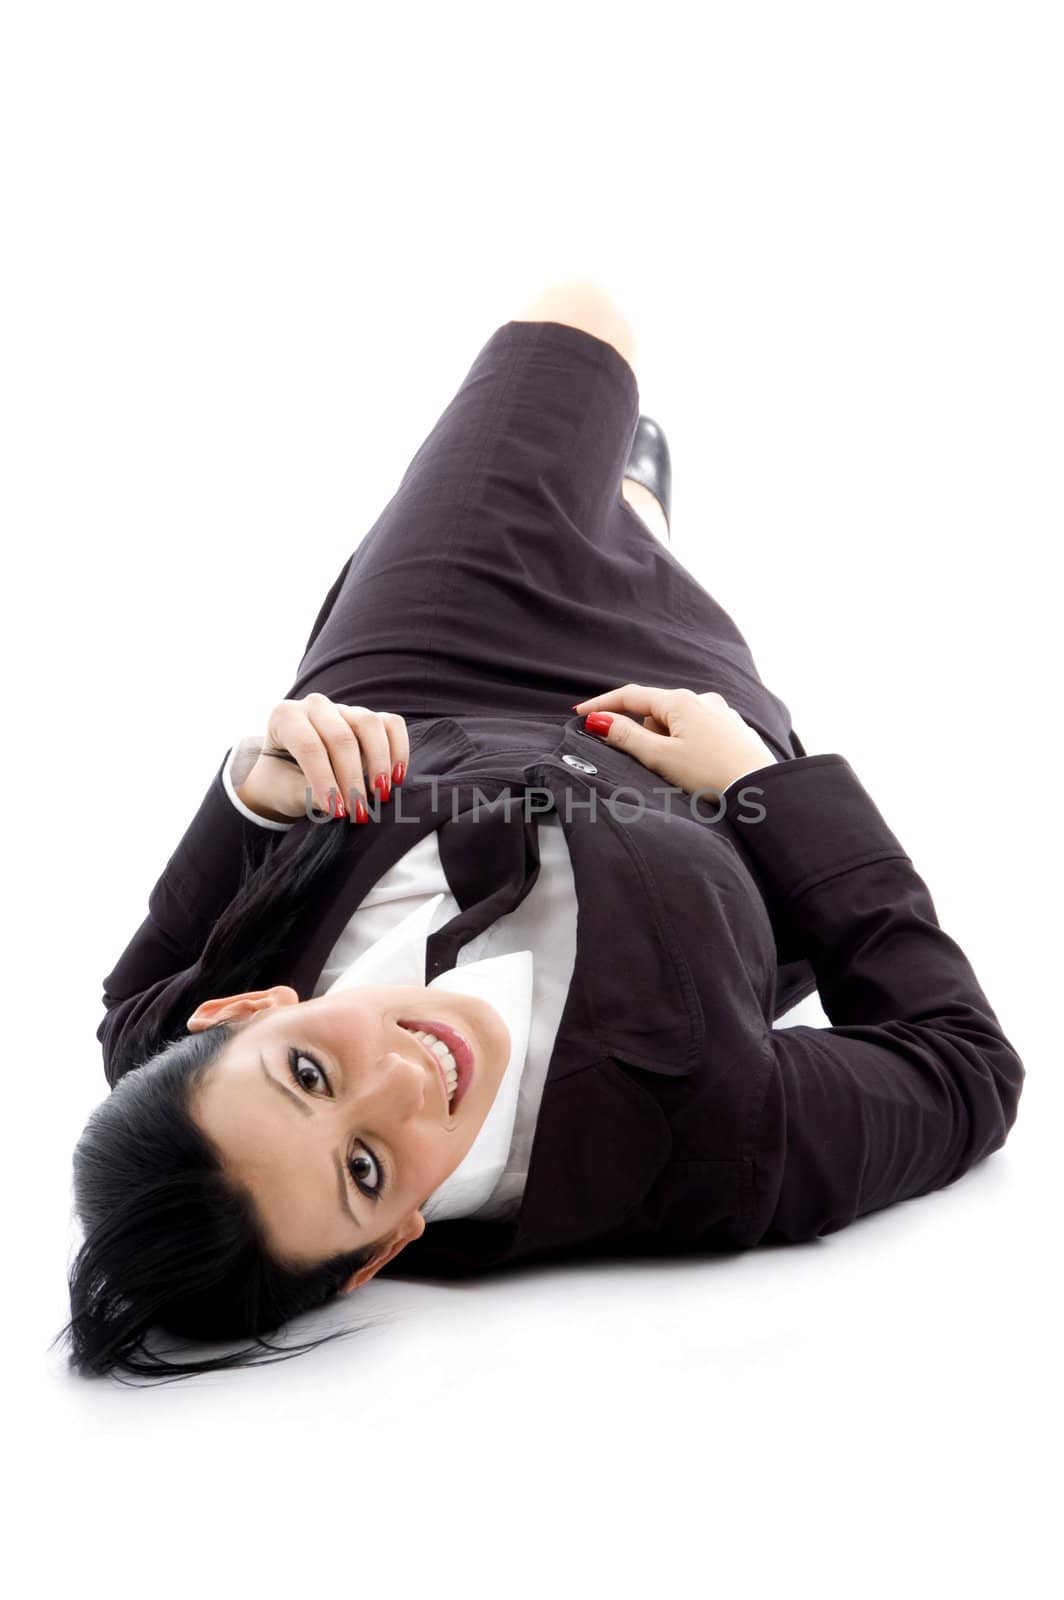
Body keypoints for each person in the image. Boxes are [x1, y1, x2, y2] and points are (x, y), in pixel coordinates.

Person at [55, 278, 1025, 1382]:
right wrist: (760, 781)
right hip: (676, 735)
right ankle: (638, 521)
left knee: (575, 321)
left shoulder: (160, 1053)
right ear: (379, 1251)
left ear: (241, 1013)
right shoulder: (706, 1145)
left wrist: (254, 789)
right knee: (648, 560)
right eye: (366, 1170)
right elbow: (960, 1067)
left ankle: (623, 511)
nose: (403, 1081)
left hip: (421, 664)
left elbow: (131, 997)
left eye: (311, 1074)